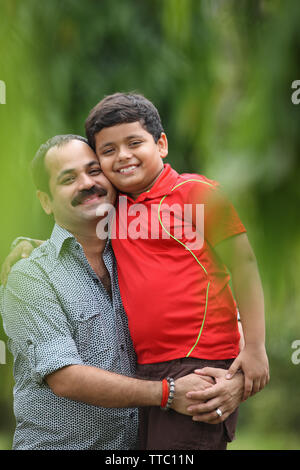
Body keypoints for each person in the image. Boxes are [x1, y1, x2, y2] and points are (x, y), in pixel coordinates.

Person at [0, 134, 244, 450]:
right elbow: (64, 376)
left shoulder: (141, 252)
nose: (87, 183)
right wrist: (168, 393)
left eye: (94, 170)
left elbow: (213, 309)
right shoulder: (30, 276)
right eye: (68, 178)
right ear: (46, 201)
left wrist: (237, 379)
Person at [83, 92, 270, 450]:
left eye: (134, 142)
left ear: (162, 144)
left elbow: (244, 265)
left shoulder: (195, 193)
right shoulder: (113, 208)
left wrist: (257, 347)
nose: (122, 155)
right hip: (146, 369)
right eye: (108, 150)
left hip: (199, 364)